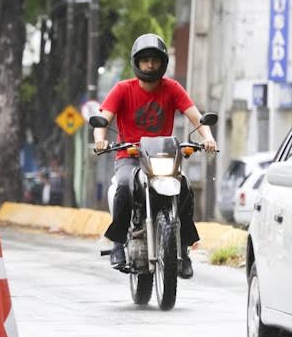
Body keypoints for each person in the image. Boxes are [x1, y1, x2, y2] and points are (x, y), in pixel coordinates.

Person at [93, 34, 217, 278]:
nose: (150, 65)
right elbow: (104, 118)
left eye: (154, 60)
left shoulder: (172, 88)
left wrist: (208, 137)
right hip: (130, 155)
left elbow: (195, 115)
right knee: (126, 185)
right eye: (145, 60)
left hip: (164, 155)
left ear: (162, 63)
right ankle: (118, 242)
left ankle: (183, 247)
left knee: (185, 187)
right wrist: (100, 138)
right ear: (136, 63)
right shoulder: (122, 89)